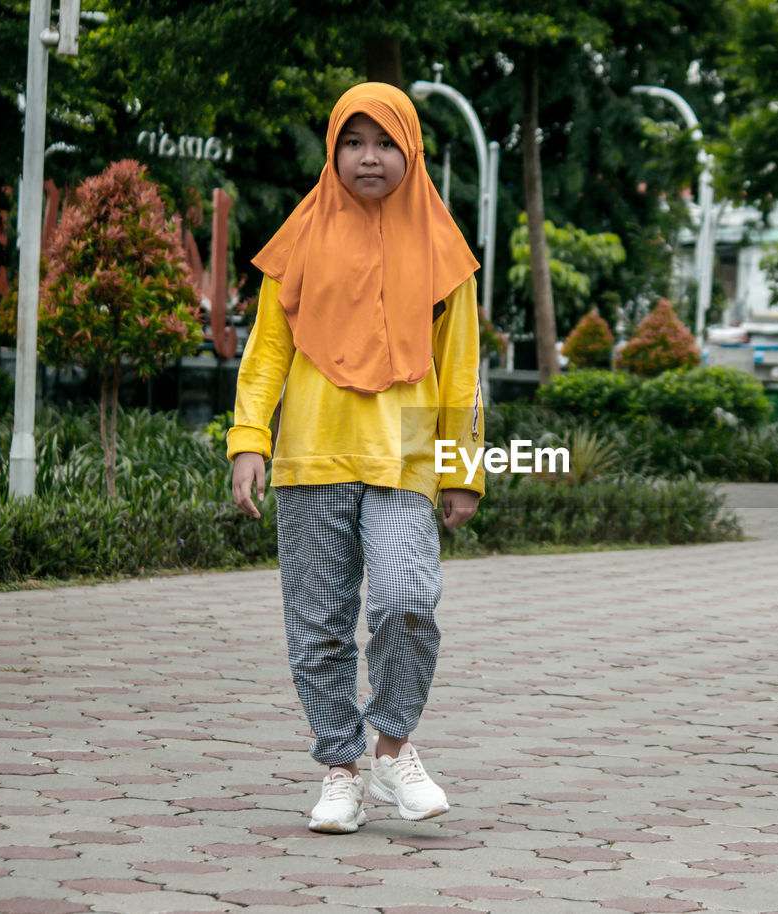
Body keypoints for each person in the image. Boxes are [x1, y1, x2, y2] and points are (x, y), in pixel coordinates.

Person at [228, 82, 484, 834]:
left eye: (384, 143)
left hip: (404, 462)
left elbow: (463, 374)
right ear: (333, 150)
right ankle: (340, 770)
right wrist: (250, 441)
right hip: (311, 457)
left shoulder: (445, 252)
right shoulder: (300, 238)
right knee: (319, 624)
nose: (368, 158)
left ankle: (393, 749)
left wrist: (462, 470)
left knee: (407, 601)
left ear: (411, 150)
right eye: (353, 142)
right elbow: (266, 354)